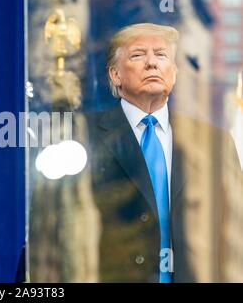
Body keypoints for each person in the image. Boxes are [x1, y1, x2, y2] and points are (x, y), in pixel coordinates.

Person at [86, 23, 242, 282]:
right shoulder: (86, 135)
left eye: (161, 55)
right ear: (115, 74)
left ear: (175, 72)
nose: (152, 63)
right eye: (138, 55)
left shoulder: (214, 141)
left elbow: (236, 228)